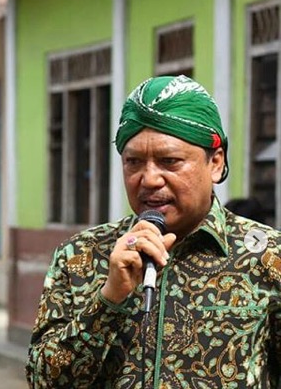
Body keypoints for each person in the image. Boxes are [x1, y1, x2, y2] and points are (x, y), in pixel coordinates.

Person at [26, 75, 281, 388]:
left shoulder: (267, 256)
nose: (148, 179)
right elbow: (43, 381)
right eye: (133, 162)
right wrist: (109, 300)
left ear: (215, 163)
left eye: (169, 161)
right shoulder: (81, 256)